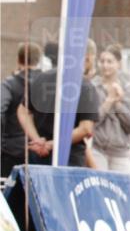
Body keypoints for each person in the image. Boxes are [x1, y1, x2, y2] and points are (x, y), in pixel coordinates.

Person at [18, 42, 99, 166]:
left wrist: (37, 139)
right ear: (88, 57)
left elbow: (23, 111)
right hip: (68, 160)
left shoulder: (42, 78)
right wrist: (51, 145)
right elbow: (85, 128)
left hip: (38, 157)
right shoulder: (86, 87)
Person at [90, 46, 130, 172]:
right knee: (99, 184)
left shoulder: (129, 90)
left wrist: (118, 104)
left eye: (109, 61)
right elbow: (91, 121)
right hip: (97, 150)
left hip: (121, 153)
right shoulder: (92, 87)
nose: (105, 65)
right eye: (102, 61)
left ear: (118, 64)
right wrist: (109, 101)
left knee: (123, 184)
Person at [1, 42, 42, 177]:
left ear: (18, 60)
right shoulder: (47, 83)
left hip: (11, 152)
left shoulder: (9, 84)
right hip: (41, 150)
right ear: (38, 60)